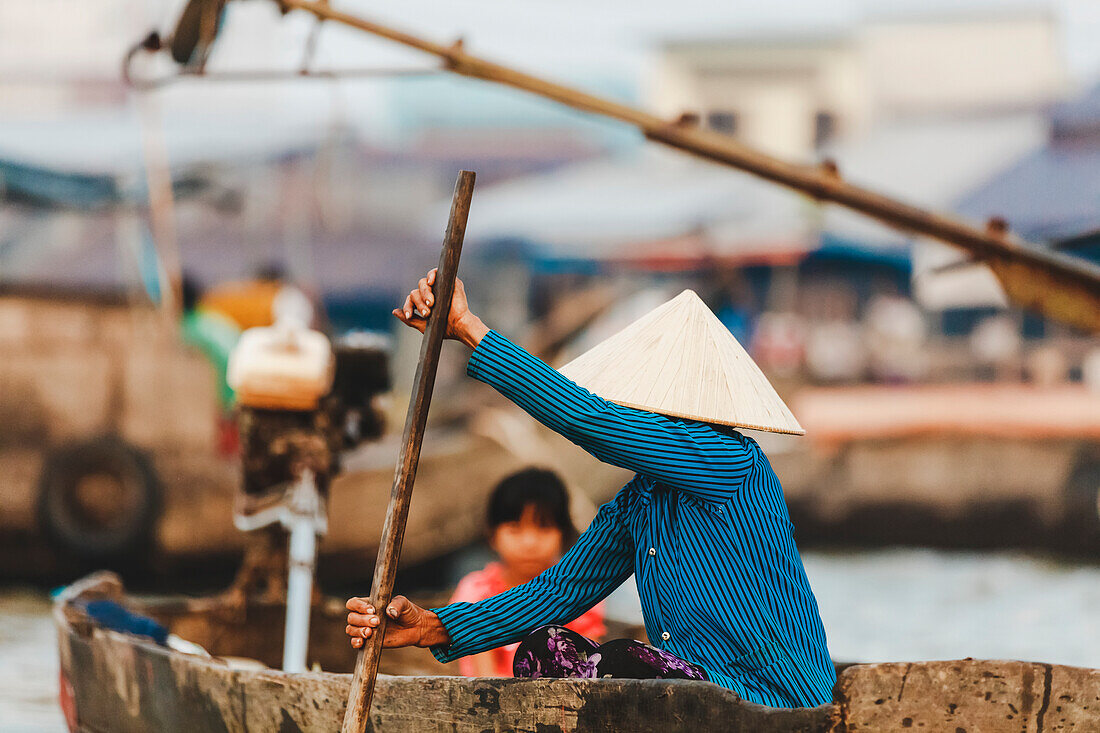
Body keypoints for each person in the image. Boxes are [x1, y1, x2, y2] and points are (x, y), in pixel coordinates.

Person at [346, 270, 836, 709]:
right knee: (547, 652)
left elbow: (593, 422)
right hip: (698, 699)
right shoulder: (639, 504)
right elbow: (558, 590)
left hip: (776, 701)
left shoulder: (729, 460)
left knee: (625, 662)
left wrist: (470, 331)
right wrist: (435, 626)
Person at [451, 468, 605, 677]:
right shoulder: (477, 590)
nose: (529, 542)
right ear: (492, 535)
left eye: (544, 527)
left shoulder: (578, 589)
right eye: (515, 528)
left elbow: (587, 665)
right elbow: (482, 670)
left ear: (564, 533)